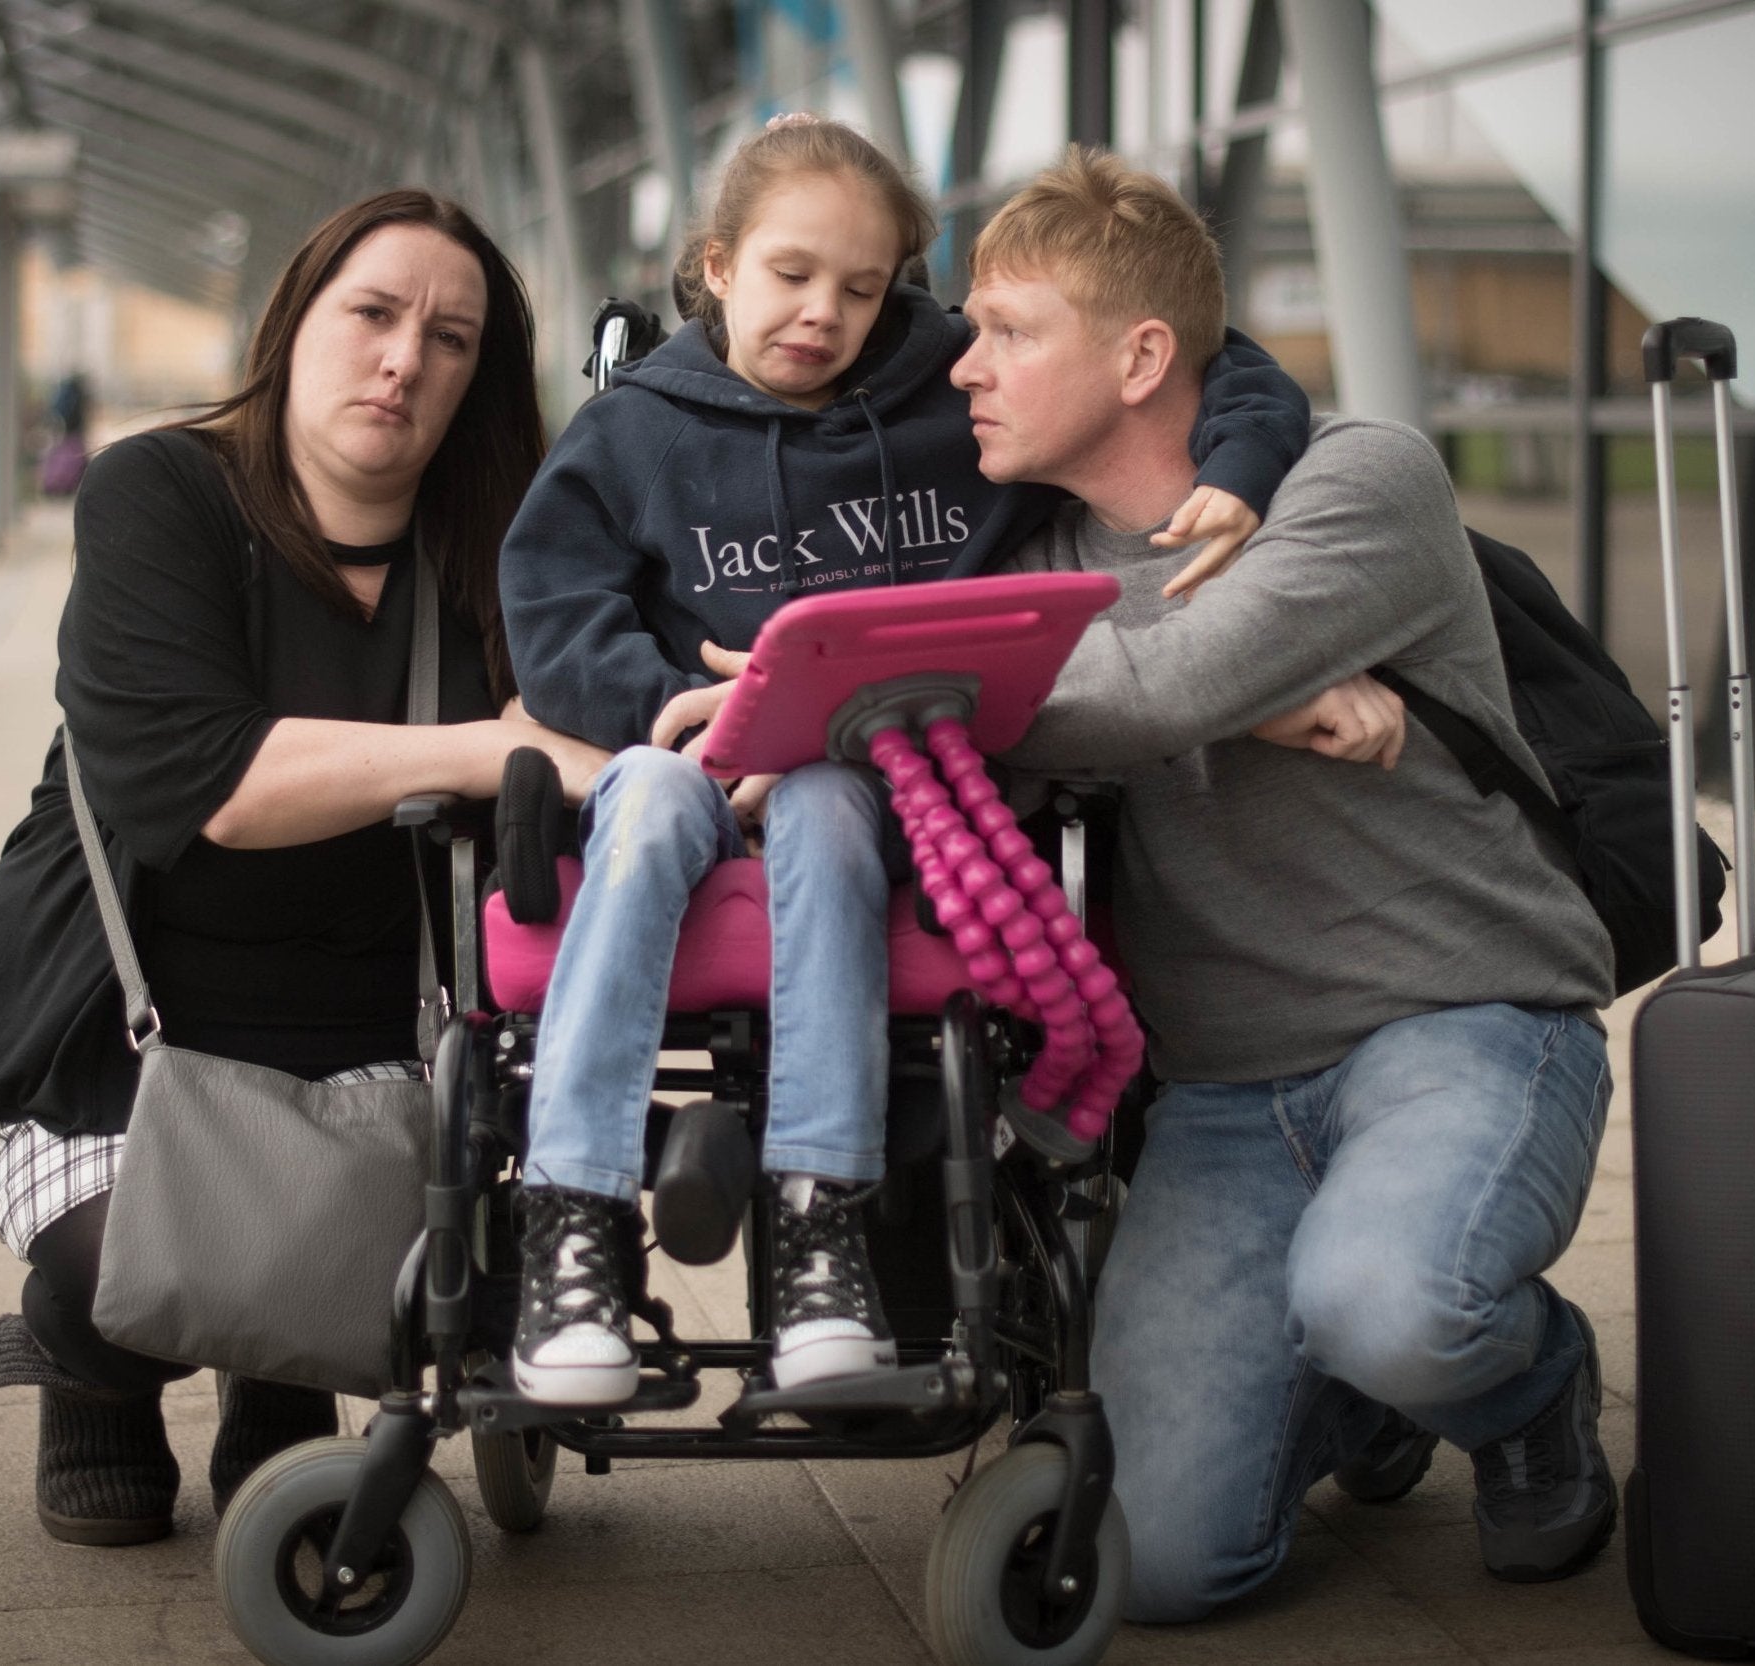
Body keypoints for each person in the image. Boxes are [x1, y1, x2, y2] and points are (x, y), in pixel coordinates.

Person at [496, 114, 1332, 1408]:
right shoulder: (635, 431)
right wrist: (680, 709)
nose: (822, 312)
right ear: (718, 266)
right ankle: (574, 1222)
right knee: (648, 796)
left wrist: (1239, 465)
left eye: (860, 285)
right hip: (698, 771)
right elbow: (552, 613)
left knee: (831, 794)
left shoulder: (947, 378)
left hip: (873, 784)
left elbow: (1223, 363)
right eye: (788, 274)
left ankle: (822, 1219)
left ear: (900, 289)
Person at [959, 151, 1620, 1619]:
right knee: (1167, 1563)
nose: (966, 365)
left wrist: (914, 681)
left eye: (1007, 328)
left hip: (1462, 1022)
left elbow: (1166, 675)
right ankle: (1369, 1390)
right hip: (1223, 1091)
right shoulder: (1037, 555)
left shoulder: (1353, 478)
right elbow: (1071, 715)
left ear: (1141, 357)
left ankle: (1527, 1391)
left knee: (1398, 1302)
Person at [0, 189, 607, 1546]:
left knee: (420, 1275)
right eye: (372, 313)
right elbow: (210, 783)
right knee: (137, 1274)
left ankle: (280, 1375)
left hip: (369, 1027)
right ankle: (96, 1379)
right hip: (113, 1018)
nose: (405, 360)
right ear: (293, 325)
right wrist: (481, 743)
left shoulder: (499, 549)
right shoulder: (160, 494)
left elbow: (586, 749)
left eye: (451, 337)